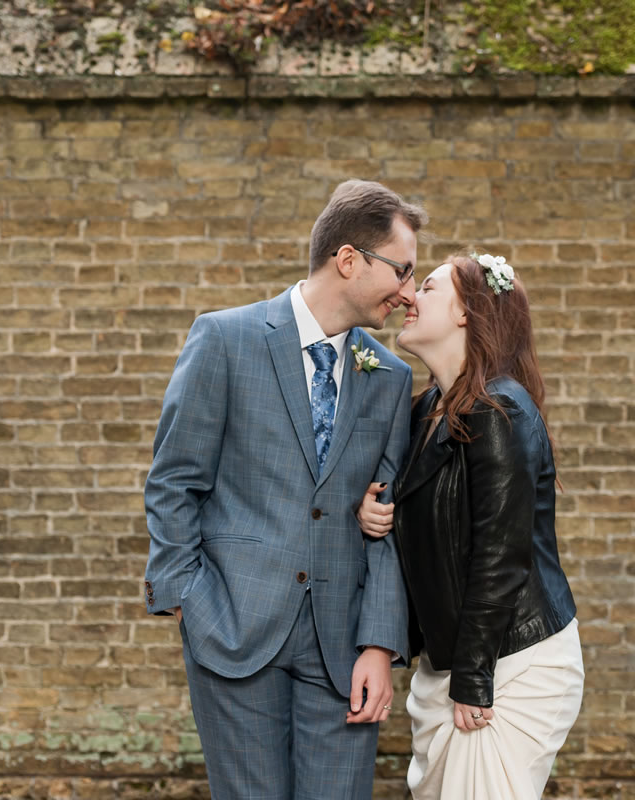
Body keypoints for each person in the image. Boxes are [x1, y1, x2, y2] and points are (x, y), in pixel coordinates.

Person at [144, 179, 428, 800]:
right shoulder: (225, 339)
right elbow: (174, 479)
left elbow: (386, 516)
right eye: (403, 271)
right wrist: (187, 597)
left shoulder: (388, 378)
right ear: (349, 259)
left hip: (343, 646)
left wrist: (380, 644)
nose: (410, 293)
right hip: (233, 627)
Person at [357, 252, 584, 800]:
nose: (410, 295)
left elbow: (500, 556)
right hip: (455, 660)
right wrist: (370, 510)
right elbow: (425, 532)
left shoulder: (499, 411)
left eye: (429, 287)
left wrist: (474, 680)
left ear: (467, 313)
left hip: (511, 660)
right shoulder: (425, 410)